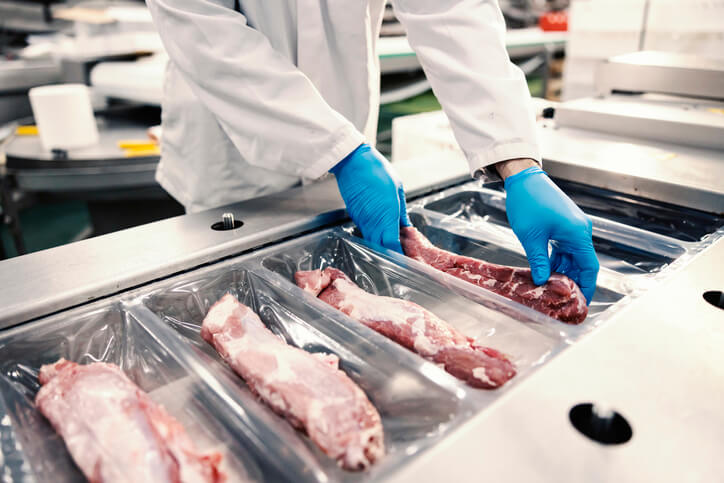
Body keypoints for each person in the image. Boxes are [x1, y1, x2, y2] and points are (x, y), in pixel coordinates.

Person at [146, 0, 599, 303]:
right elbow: (203, 28)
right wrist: (338, 151)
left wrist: (517, 162)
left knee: (341, 297)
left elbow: (451, 11)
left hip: (344, 137)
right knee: (231, 304)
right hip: (231, 147)